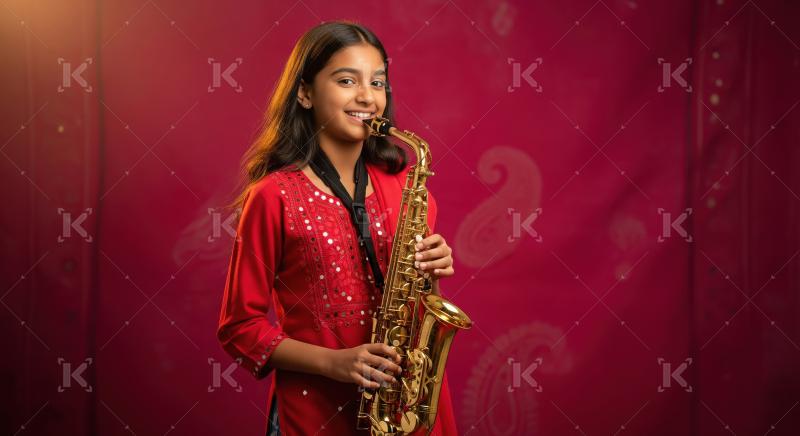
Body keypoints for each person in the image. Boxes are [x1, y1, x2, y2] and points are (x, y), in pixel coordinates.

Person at [217, 21, 459, 435]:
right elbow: (240, 328)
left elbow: (419, 315)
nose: (367, 97)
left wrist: (433, 276)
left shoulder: (408, 191)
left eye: (378, 83)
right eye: (347, 80)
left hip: (406, 411)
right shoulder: (272, 196)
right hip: (313, 416)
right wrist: (336, 363)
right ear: (306, 92)